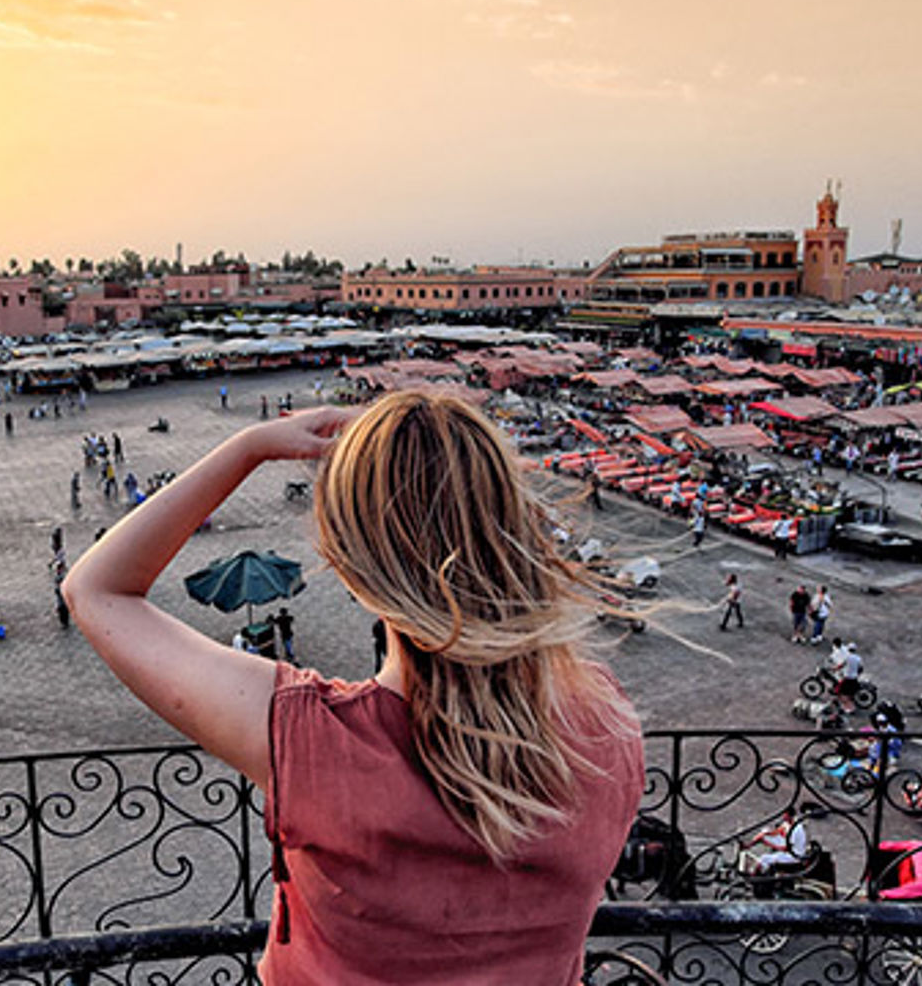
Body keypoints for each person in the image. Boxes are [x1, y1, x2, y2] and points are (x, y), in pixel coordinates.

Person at [62, 393, 643, 982]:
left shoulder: (315, 742)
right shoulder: (606, 721)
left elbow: (96, 590)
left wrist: (250, 447)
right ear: (513, 529)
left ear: (350, 569)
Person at [745, 808, 810, 874]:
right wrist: (767, 833)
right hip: (787, 845)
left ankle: (755, 875)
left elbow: (786, 848)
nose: (784, 818)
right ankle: (747, 846)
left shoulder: (796, 830)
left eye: (786, 816)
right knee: (762, 836)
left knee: (764, 858)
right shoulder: (788, 823)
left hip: (794, 855)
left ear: (790, 816)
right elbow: (778, 831)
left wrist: (770, 844)